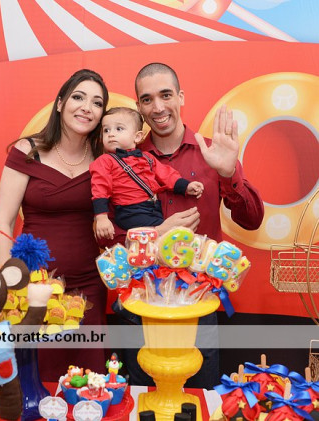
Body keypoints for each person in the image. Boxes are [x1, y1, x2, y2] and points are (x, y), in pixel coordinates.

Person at [115, 62, 264, 390]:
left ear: (181, 97)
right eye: (147, 99)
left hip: (199, 302)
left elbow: (252, 220)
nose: (158, 107)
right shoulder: (124, 161)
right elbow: (110, 235)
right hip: (142, 302)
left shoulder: (213, 152)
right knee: (142, 399)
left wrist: (228, 173)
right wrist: (154, 235)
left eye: (166, 95)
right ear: (139, 106)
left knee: (198, 398)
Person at [0, 69, 109, 381]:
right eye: (78, 97)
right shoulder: (27, 151)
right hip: (35, 287)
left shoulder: (104, 158)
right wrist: (9, 282)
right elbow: (3, 220)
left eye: (97, 103)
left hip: (89, 288)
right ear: (60, 104)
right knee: (36, 380)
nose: (87, 107)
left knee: (88, 384)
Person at [90, 106, 204, 240]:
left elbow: (166, 174)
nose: (111, 134)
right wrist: (102, 217)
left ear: (137, 136)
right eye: (106, 130)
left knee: (156, 243)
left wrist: (186, 186)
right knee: (166, 235)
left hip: (153, 208)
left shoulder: (147, 157)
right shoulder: (105, 160)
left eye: (119, 129)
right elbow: (100, 188)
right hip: (130, 211)